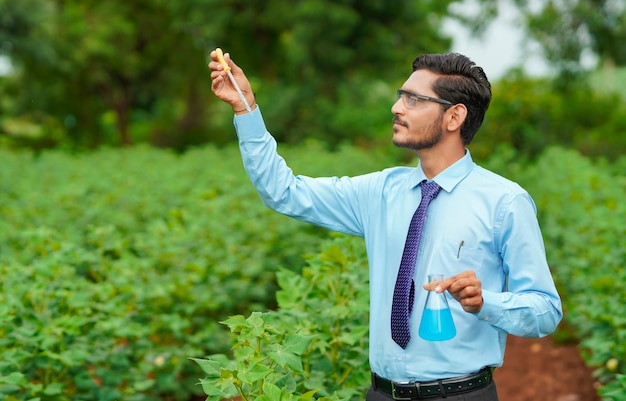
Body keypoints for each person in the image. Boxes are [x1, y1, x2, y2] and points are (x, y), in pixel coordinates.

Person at [208, 50, 562, 401]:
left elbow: (545, 310)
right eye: (400, 96)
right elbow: (283, 192)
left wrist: (485, 301)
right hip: (381, 393)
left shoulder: (504, 202)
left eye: (414, 99)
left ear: (454, 116)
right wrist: (245, 108)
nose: (397, 107)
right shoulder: (380, 191)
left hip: (460, 394)